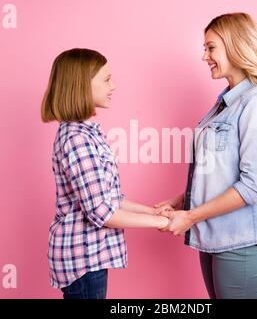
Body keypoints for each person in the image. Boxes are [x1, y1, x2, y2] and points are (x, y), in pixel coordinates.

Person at [155, 12, 257, 299]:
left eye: (211, 47)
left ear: (235, 46)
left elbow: (252, 186)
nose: (204, 56)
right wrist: (181, 201)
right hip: (213, 240)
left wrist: (190, 216)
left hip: (241, 245)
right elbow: (218, 174)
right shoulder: (224, 103)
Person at [41, 48, 169, 299]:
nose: (114, 86)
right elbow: (101, 212)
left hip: (91, 258)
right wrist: (163, 222)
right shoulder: (77, 140)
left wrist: (153, 212)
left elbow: (111, 198)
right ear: (82, 86)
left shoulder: (88, 133)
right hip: (83, 260)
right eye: (107, 79)